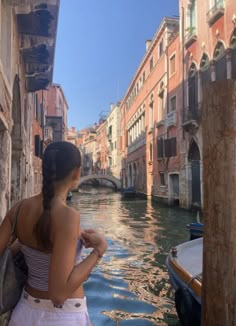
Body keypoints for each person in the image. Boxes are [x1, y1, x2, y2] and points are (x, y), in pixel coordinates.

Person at [0, 141, 107, 325]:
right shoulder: (68, 216)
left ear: (44, 170)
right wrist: (99, 251)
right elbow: (58, 295)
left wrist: (22, 245)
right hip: (62, 317)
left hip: (23, 313)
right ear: (77, 172)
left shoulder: (18, 210)